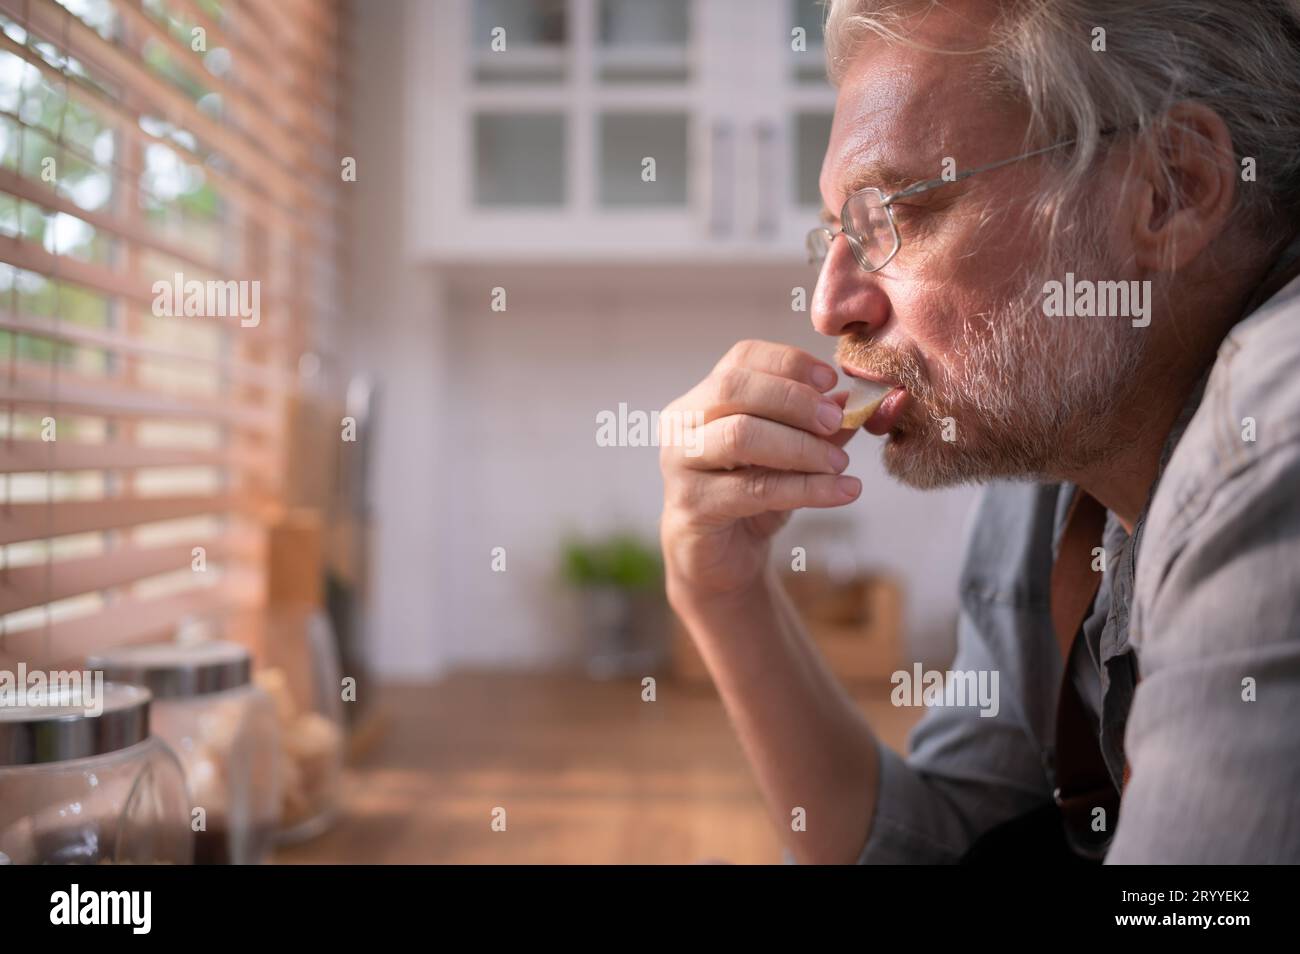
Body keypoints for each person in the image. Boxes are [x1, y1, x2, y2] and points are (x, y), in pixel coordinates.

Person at [658, 0, 1300, 863]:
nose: (831, 305)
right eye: (839, 231)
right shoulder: (1060, 446)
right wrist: (724, 594)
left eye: (897, 215)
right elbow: (945, 844)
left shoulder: (1272, 448)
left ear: (1171, 190)